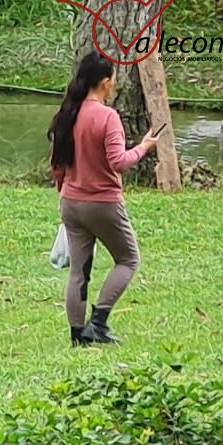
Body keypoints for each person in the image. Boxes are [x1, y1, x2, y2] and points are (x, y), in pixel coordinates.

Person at [48, 51, 162, 346]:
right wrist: (144, 147)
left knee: (79, 270)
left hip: (71, 202)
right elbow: (119, 162)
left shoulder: (67, 114)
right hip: (103, 204)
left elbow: (56, 165)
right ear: (105, 82)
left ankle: (77, 335)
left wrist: (65, 192)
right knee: (127, 259)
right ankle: (98, 323)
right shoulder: (106, 116)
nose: (114, 85)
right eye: (113, 80)